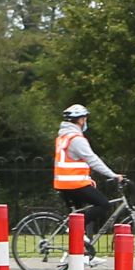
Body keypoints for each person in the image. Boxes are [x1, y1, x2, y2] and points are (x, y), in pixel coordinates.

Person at [52, 104, 124, 252]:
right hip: (73, 184)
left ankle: (81, 255)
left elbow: (71, 162)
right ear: (80, 120)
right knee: (104, 205)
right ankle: (73, 229)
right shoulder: (77, 139)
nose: (85, 121)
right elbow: (93, 160)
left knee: (79, 218)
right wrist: (113, 175)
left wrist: (86, 177)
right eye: (85, 118)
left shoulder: (63, 137)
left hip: (64, 183)